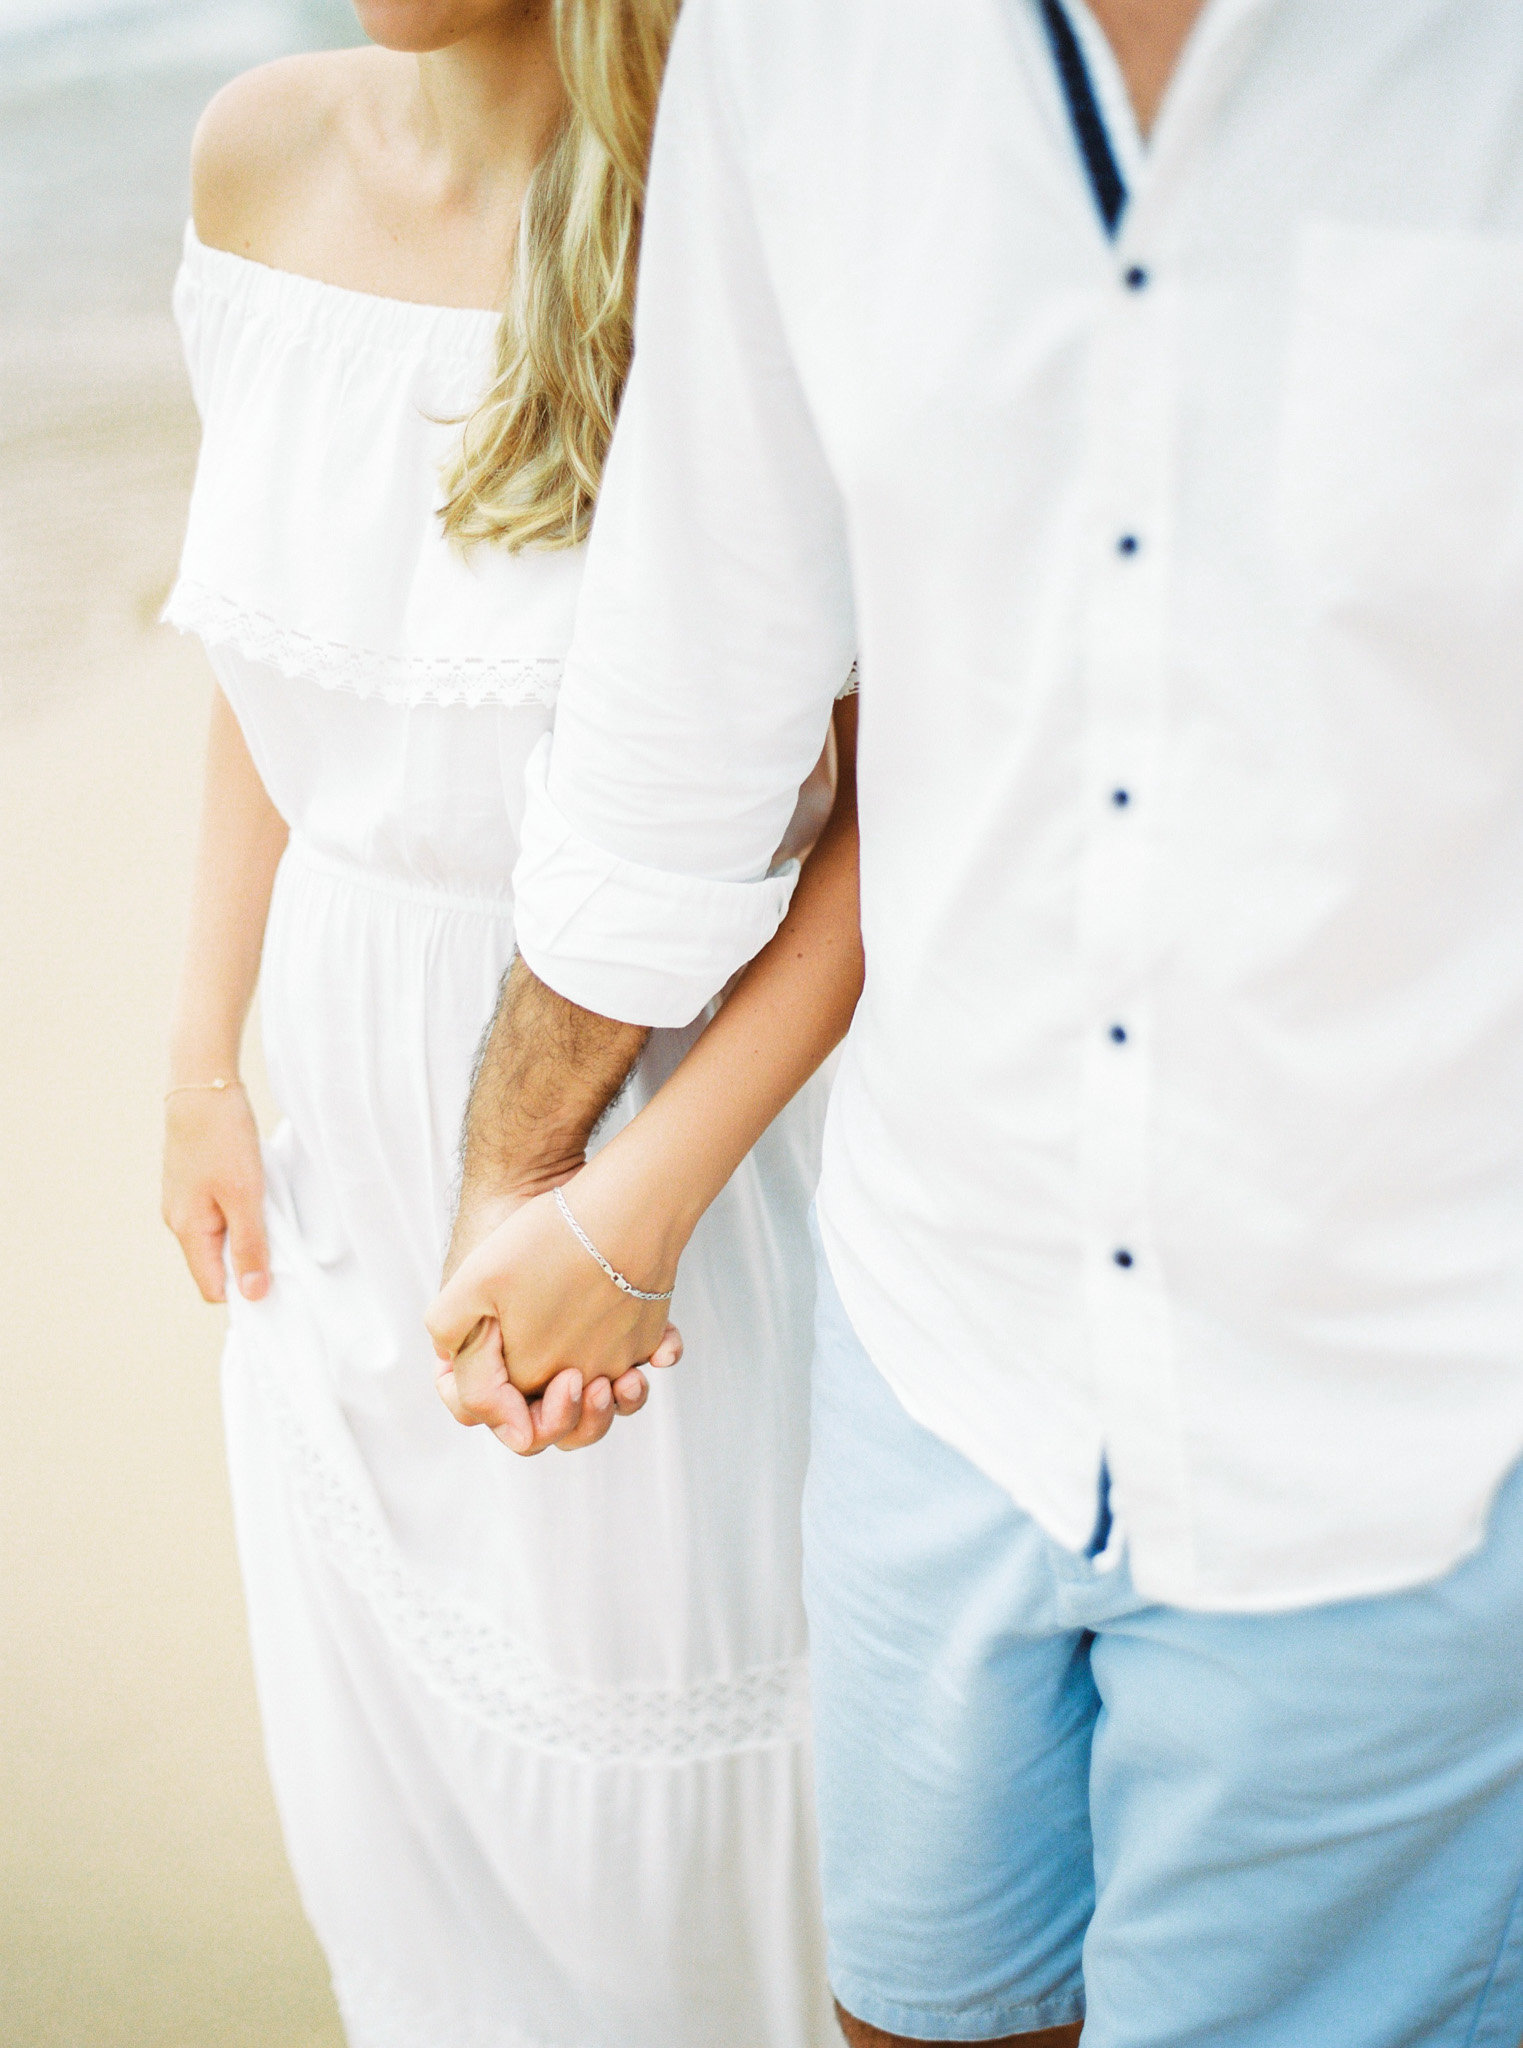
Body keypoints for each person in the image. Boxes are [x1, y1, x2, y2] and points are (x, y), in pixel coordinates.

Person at [426, 2, 1523, 2045]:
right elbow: (696, 691)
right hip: (945, 1351)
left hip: (1404, 1436)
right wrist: (528, 1169)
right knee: (921, 2016)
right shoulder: (806, 47)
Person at [158, 3, 854, 2041]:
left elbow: (892, 818)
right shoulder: (252, 155)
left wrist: (629, 1208)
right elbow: (264, 636)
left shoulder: (736, 205)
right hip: (335, 1182)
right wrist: (199, 1054)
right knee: (421, 1857)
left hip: (679, 1173)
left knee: (691, 1852)